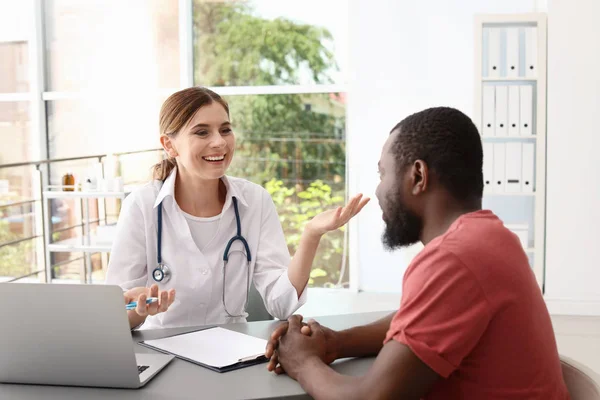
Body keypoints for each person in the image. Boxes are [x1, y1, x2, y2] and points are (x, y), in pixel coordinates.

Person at [265, 107, 570, 399]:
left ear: (418, 176)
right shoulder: (492, 237)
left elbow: (372, 397)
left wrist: (302, 361)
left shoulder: (454, 258)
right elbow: (420, 319)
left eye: (383, 174)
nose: (379, 191)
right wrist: (336, 343)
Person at [105, 87, 368, 330]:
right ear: (169, 145)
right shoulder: (141, 206)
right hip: (165, 351)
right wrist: (138, 309)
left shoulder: (255, 201)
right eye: (202, 132)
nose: (219, 142)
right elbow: (118, 314)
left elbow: (282, 305)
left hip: (232, 353)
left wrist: (311, 234)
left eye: (225, 129)